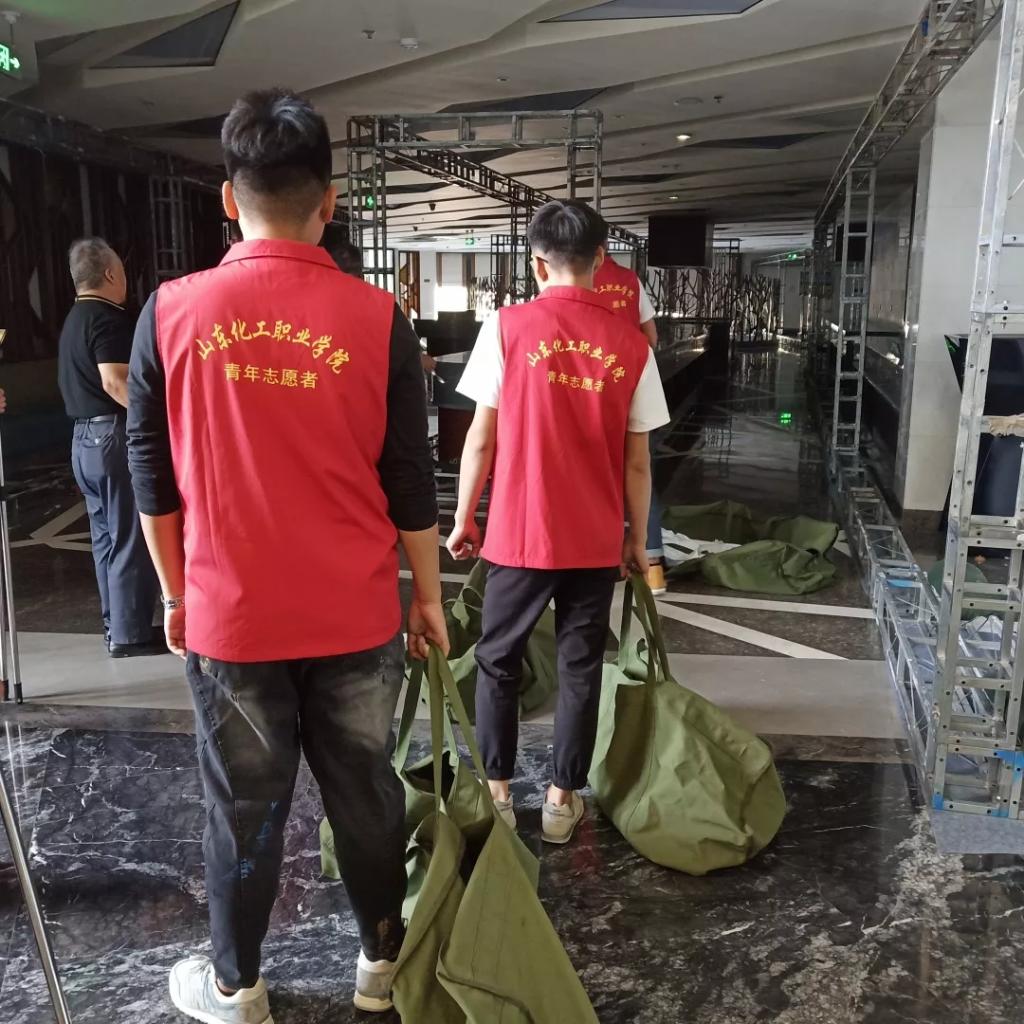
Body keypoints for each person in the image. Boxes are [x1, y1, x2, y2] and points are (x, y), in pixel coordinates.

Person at [126, 88, 447, 1021]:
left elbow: (150, 469)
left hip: (232, 617)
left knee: (242, 808)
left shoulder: (169, 312)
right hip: (356, 613)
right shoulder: (378, 319)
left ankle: (238, 987)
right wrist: (427, 597)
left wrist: (175, 593)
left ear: (230, 198)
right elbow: (409, 477)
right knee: (368, 796)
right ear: (330, 200)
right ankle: (381, 967)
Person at [447, 199, 669, 846]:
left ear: (537, 264)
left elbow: (481, 438)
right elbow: (637, 462)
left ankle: (496, 794)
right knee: (579, 666)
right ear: (601, 260)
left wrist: (464, 517)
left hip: (519, 533)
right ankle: (560, 801)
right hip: (594, 539)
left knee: (498, 661)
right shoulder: (633, 345)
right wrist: (636, 539)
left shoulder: (506, 327)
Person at [57, 238, 162, 658]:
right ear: (111, 274)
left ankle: (114, 625)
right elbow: (115, 381)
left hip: (83, 441)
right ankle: (131, 635)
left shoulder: (74, 319)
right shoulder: (108, 317)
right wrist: (158, 418)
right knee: (130, 536)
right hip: (113, 439)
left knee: (105, 537)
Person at [593, 237, 668, 594]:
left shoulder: (570, 281)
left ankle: (594, 560)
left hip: (584, 395)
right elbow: (650, 337)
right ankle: (653, 569)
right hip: (627, 388)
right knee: (638, 470)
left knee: (592, 477)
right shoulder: (630, 281)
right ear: (604, 246)